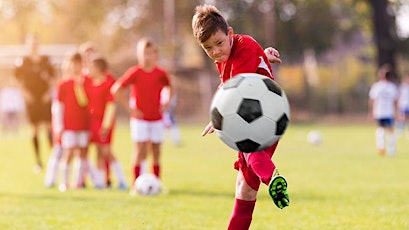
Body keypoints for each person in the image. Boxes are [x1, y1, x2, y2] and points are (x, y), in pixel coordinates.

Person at [192, 5, 289, 230]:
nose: (215, 51)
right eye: (208, 48)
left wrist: (217, 118)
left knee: (248, 147)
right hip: (255, 114)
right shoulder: (228, 55)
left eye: (219, 43)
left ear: (230, 33)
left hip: (262, 115)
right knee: (244, 190)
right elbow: (233, 79)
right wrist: (263, 56)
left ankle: (272, 176)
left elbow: (236, 89)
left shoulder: (244, 46)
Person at [111, 37, 173, 189]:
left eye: (150, 53)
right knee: (140, 150)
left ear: (155, 55)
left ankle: (156, 183)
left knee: (156, 150)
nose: (147, 56)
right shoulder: (135, 72)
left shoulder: (160, 73)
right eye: (143, 53)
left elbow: (170, 87)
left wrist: (166, 103)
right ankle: (136, 184)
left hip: (156, 118)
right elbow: (116, 90)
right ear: (139, 55)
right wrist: (130, 109)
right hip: (140, 119)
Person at [54, 52, 102, 192]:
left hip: (84, 124)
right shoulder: (63, 84)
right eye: (73, 64)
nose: (76, 67)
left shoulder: (87, 81)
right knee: (68, 152)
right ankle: (64, 182)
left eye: (78, 64)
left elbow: (87, 102)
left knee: (82, 153)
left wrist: (80, 86)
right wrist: (59, 125)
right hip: (69, 125)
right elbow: (59, 106)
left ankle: (78, 182)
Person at [85, 56, 128, 190]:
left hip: (104, 122)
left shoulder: (107, 84)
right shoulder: (91, 83)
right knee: (98, 151)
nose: (89, 69)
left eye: (91, 66)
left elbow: (110, 105)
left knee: (107, 151)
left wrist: (105, 126)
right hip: (94, 121)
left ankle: (122, 180)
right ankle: (99, 182)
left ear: (98, 68)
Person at [14, 34, 55, 173]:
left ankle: (53, 159)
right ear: (27, 45)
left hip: (44, 99)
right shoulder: (23, 61)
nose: (34, 46)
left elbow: (53, 78)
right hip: (31, 101)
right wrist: (25, 94)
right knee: (34, 129)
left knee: (49, 128)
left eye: (35, 44)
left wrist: (48, 93)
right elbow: (16, 79)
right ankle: (38, 162)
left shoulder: (46, 60)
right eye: (31, 44)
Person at [368, 64, 399, 156]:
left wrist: (371, 112)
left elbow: (373, 100)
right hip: (389, 112)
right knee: (390, 131)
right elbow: (395, 101)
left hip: (380, 112)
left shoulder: (377, 86)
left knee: (380, 130)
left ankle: (381, 148)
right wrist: (396, 111)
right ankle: (391, 150)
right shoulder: (392, 87)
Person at [396, 74, 409, 138]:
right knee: (401, 118)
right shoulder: (402, 87)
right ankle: (400, 131)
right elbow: (399, 96)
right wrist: (398, 105)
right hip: (403, 105)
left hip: (408, 105)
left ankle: (407, 131)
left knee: (407, 119)